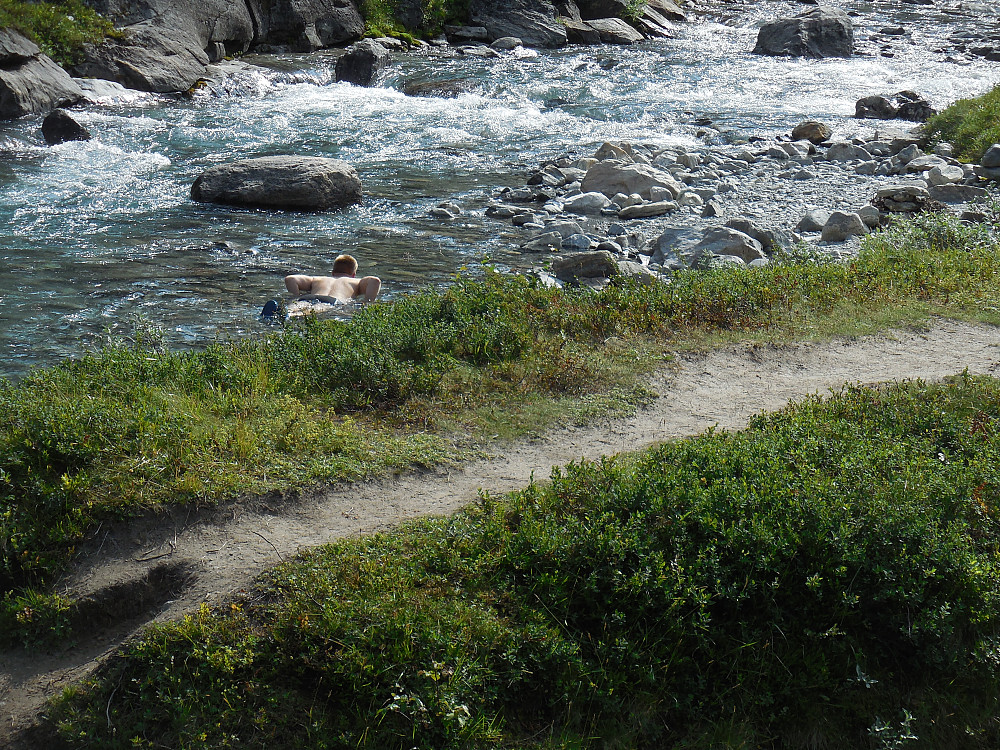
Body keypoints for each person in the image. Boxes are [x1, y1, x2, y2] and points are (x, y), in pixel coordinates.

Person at [284, 254, 381, 305]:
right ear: (353, 274)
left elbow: (290, 279)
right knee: (315, 310)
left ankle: (286, 312)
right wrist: (367, 302)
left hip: (309, 297)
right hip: (333, 301)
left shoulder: (317, 279)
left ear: (333, 272)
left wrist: (295, 297)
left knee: (296, 307)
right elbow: (375, 281)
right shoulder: (356, 281)